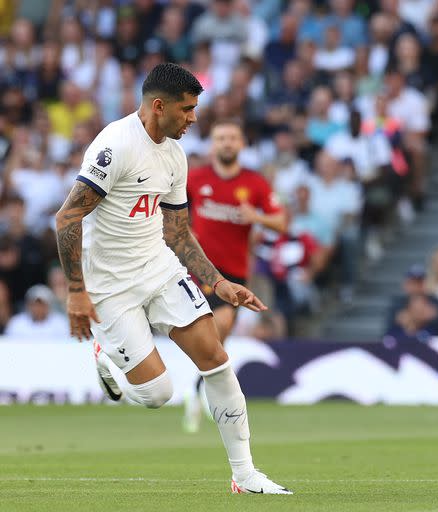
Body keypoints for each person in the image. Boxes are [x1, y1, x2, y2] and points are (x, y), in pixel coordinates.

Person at [54, 63, 292, 495]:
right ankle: (105, 355)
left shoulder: (175, 154)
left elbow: (178, 232)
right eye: (187, 109)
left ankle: (245, 475)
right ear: (158, 106)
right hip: (109, 285)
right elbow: (67, 218)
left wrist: (219, 284)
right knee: (157, 394)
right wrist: (75, 292)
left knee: (216, 359)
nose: (194, 118)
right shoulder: (115, 147)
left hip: (159, 267)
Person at [183, 118, 287, 433]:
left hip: (234, 273)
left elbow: (281, 222)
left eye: (232, 138)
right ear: (213, 145)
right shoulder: (195, 179)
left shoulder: (255, 184)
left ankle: (199, 390)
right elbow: (170, 212)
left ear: (241, 144)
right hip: (200, 268)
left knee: (219, 336)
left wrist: (256, 217)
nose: (227, 143)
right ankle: (208, 394)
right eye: (221, 138)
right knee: (218, 329)